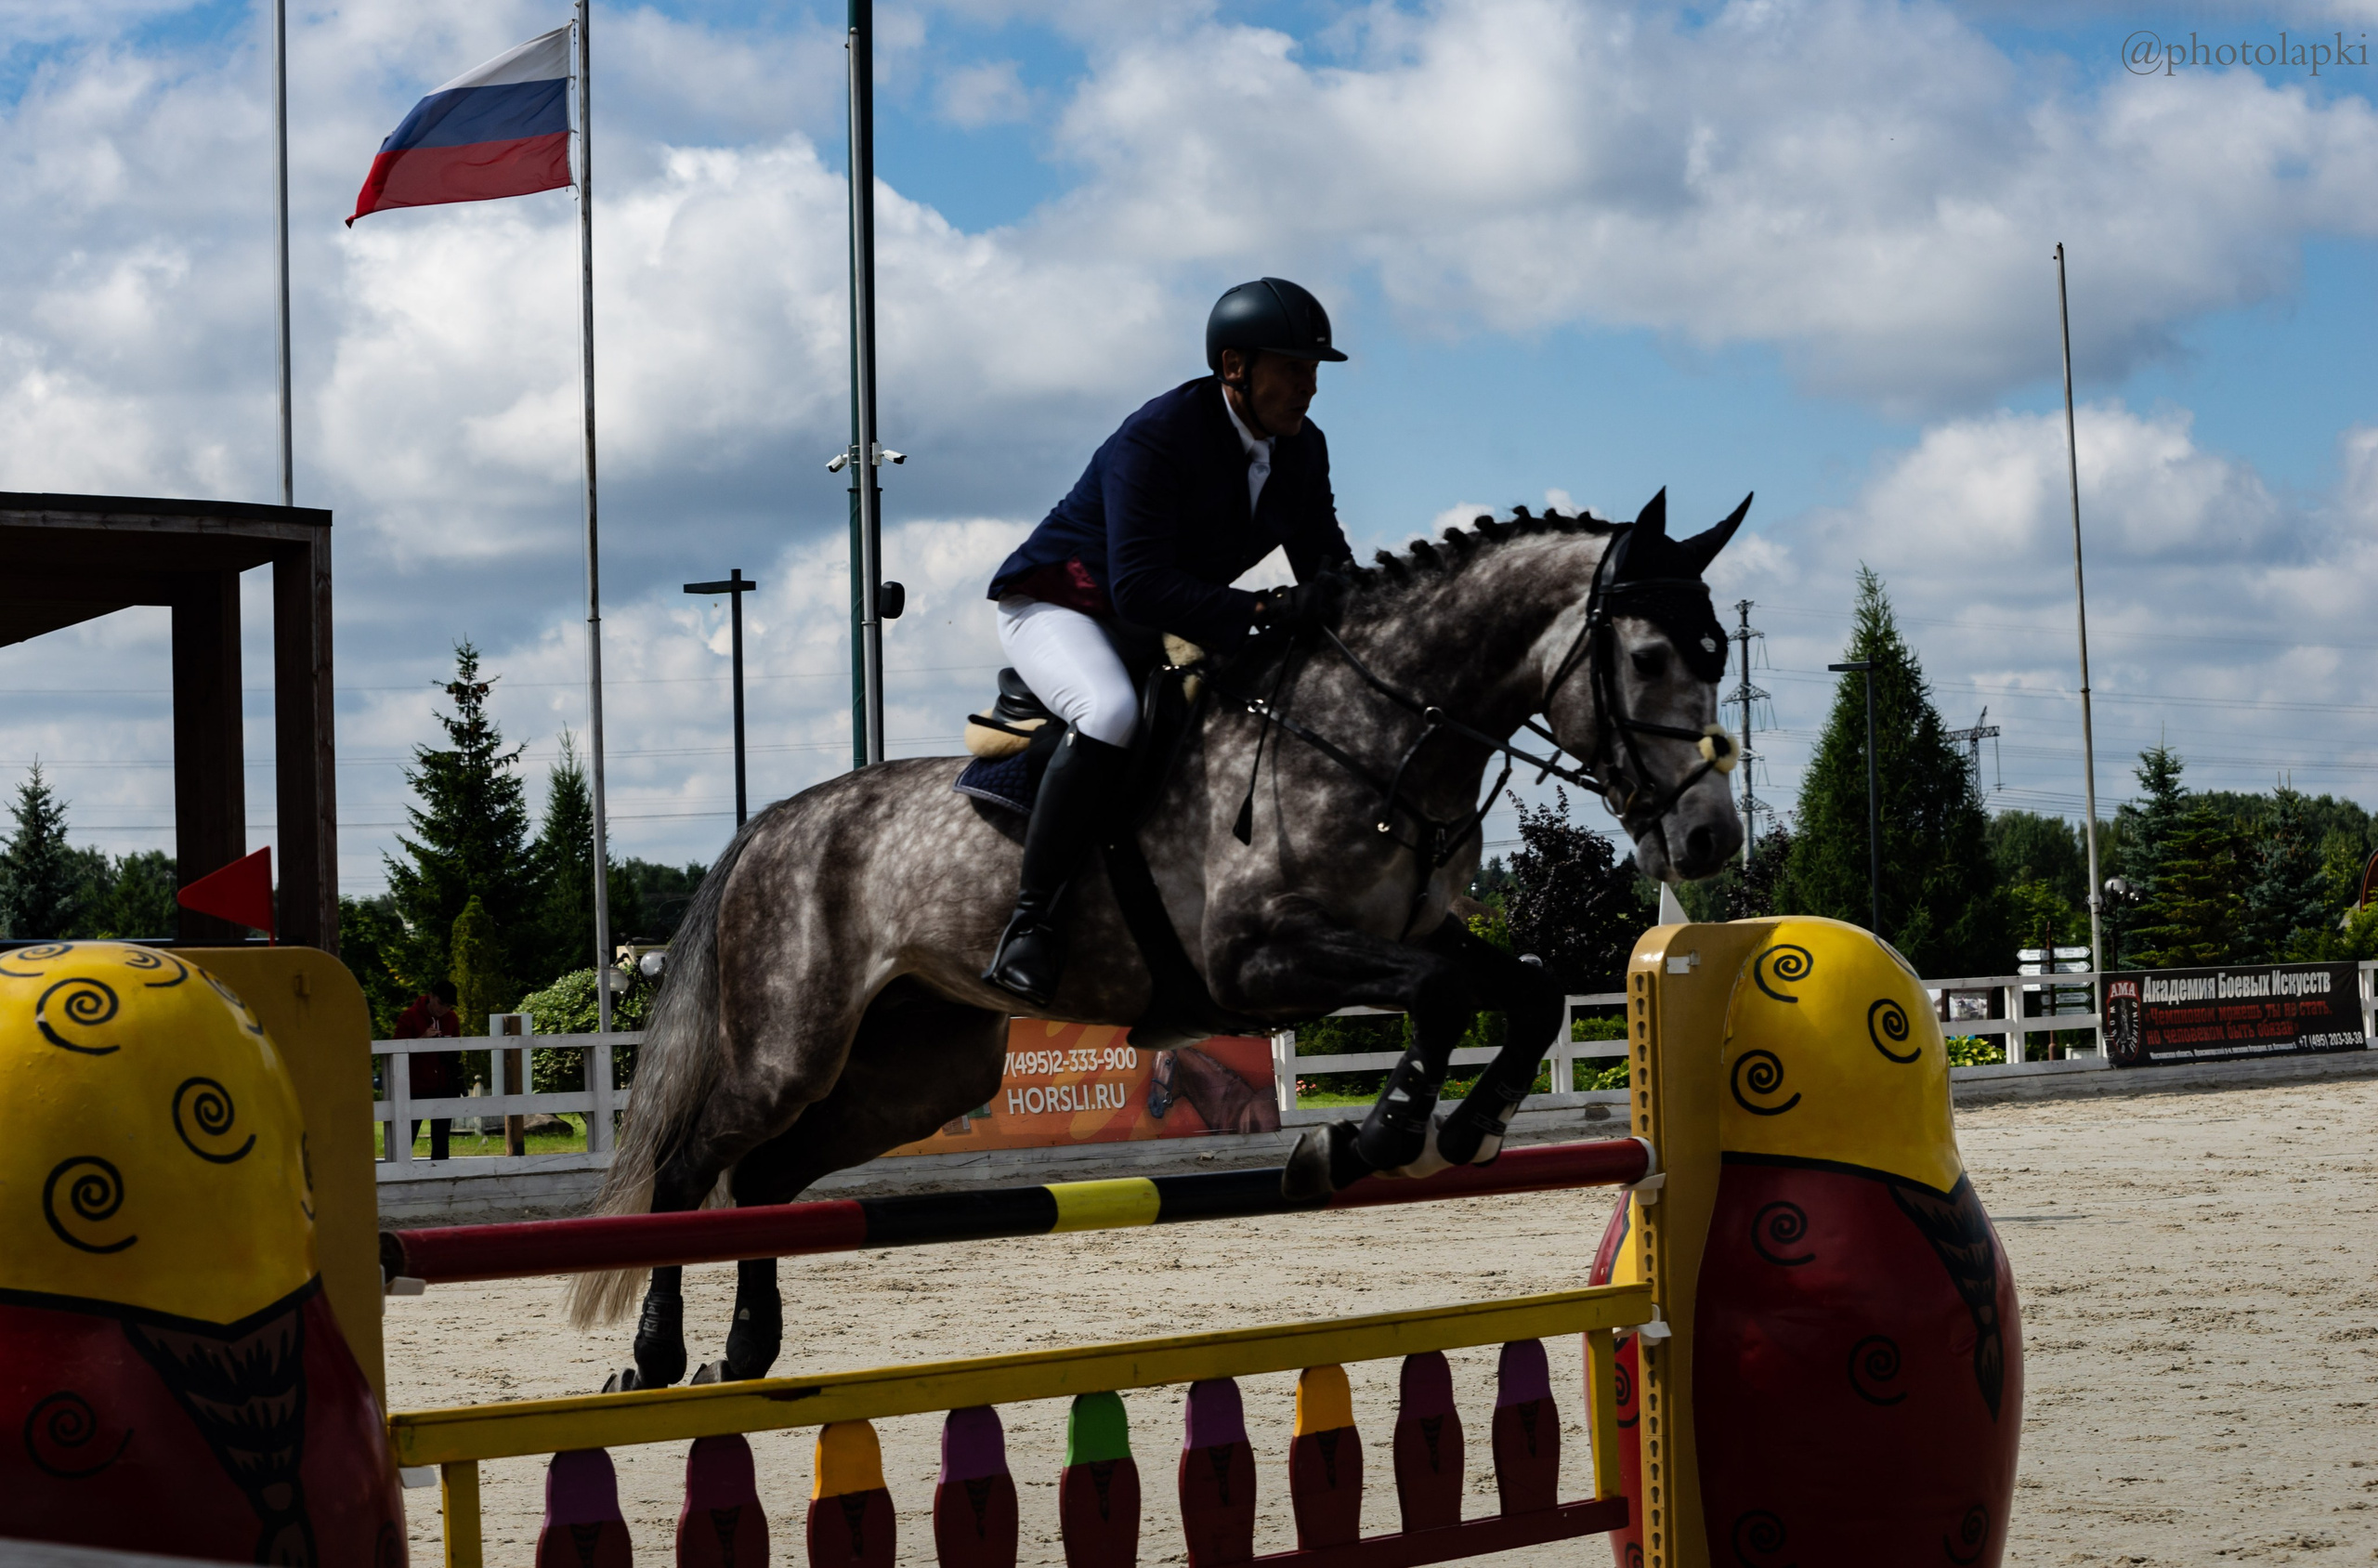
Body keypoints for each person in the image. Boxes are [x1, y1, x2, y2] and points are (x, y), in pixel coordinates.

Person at [980, 277, 1358, 1005]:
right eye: (1294, 369)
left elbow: (1329, 567)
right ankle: (1030, 925)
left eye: (1314, 372)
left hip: (1166, 620)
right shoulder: (1160, 435)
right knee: (1110, 713)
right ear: (1234, 367)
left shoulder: (1303, 450)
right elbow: (1141, 587)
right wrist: (1269, 605)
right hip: (1065, 605)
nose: (1309, 388)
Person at [395, 979, 463, 1161]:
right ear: (431, 996)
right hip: (416, 1087)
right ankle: (399, 1175)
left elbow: (457, 1049)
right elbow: (395, 1052)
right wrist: (421, 1040)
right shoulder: (409, 1017)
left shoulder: (452, 1019)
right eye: (441, 1003)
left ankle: (441, 1179)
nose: (444, 1009)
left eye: (448, 1006)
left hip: (445, 1086)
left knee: (441, 1140)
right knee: (406, 1137)